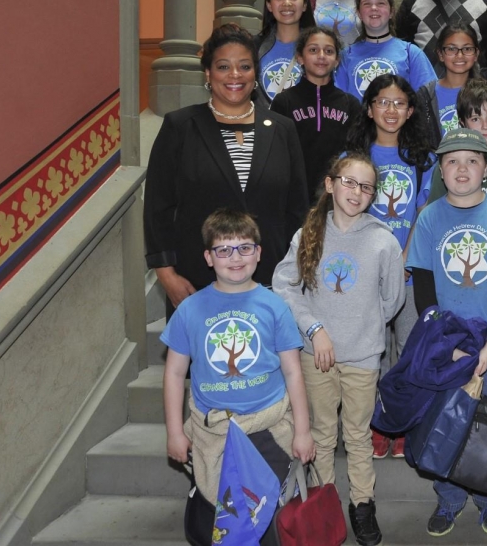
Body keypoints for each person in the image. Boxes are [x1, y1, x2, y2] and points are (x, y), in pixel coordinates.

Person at [272, 153, 405, 546]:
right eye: (349, 182)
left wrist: (361, 327)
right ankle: (325, 502)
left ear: (372, 195)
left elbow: (392, 300)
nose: (356, 192)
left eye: (366, 187)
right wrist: (316, 329)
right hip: (318, 356)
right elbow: (285, 287)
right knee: (322, 434)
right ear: (331, 184)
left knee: (359, 435)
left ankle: (362, 505)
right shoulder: (308, 234)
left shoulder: (383, 240)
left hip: (363, 357)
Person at [407, 128, 487, 538]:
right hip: (448, 348)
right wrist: (450, 347)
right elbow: (424, 292)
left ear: (486, 166)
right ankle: (448, 498)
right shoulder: (429, 218)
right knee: (446, 422)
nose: (462, 169)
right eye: (453, 161)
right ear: (441, 169)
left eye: (472, 161)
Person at [162, 208, 314, 539]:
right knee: (220, 523)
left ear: (258, 253)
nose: (235, 257)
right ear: (208, 257)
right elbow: (174, 374)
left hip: (268, 430)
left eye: (244, 247)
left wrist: (302, 431)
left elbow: (293, 372)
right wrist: (175, 432)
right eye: (224, 249)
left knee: (268, 520)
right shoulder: (190, 309)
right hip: (212, 432)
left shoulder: (274, 307)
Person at [144, 24, 309, 316]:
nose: (235, 75)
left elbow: (297, 210)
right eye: (223, 66)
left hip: (270, 281)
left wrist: (294, 274)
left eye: (244, 66)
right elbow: (158, 207)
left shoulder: (283, 129)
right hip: (197, 282)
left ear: (255, 73)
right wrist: (166, 275)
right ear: (208, 73)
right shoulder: (180, 127)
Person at [343, 74, 435, 459]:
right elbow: (345, 214)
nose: (391, 110)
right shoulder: (353, 159)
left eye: (399, 103)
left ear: (411, 110)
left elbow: (424, 210)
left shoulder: (423, 159)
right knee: (372, 352)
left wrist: (405, 257)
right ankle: (377, 425)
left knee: (409, 348)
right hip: (366, 270)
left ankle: (404, 424)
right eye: (383, 102)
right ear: (369, 108)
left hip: (409, 269)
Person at [270, 26, 362, 201]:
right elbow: (276, 156)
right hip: (293, 195)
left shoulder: (350, 104)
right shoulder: (284, 102)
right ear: (300, 57)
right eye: (313, 50)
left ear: (336, 60)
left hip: (336, 196)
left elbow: (357, 155)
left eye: (328, 51)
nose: (321, 55)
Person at [334, 0, 437, 103]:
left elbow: (429, 100)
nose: (374, 8)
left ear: (392, 12)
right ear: (359, 13)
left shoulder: (411, 53)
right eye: (367, 4)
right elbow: (338, 103)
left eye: (380, 3)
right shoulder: (345, 55)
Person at [426, 79, 487, 205]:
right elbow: (434, 213)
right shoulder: (451, 163)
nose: (485, 126)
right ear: (462, 123)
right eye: (475, 119)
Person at [416, 21, 481, 146]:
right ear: (440, 54)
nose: (460, 55)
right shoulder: (426, 96)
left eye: (467, 49)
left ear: (476, 54)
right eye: (451, 49)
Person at [255, 0, 318, 104]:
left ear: (305, 5)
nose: (287, 3)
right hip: (264, 121)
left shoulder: (318, 48)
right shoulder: (254, 46)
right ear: (269, 5)